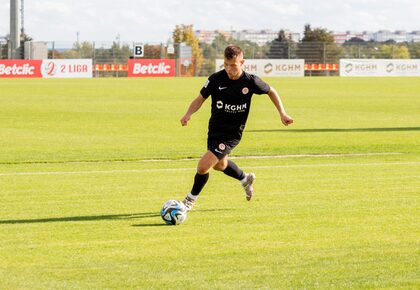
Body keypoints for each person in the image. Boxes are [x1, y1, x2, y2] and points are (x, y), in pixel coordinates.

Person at [180, 44, 293, 210]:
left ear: (242, 62)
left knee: (203, 166)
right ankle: (244, 179)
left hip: (232, 133)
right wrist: (188, 113)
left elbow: (271, 91)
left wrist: (282, 113)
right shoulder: (215, 79)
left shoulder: (251, 81)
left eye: (233, 65)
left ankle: (189, 200)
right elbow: (200, 98)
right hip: (215, 130)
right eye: (226, 64)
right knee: (220, 165)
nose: (229, 69)